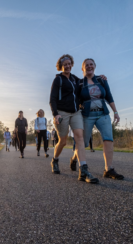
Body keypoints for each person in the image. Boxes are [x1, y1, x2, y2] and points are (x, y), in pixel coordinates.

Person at [49, 54, 98, 183]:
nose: (67, 66)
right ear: (61, 66)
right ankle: (55, 160)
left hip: (76, 112)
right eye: (65, 64)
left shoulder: (76, 79)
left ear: (72, 64)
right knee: (63, 141)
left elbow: (88, 80)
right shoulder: (58, 80)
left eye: (69, 63)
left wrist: (100, 78)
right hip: (62, 113)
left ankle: (83, 169)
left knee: (79, 138)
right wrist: (56, 114)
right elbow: (52, 99)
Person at [79, 58, 124, 180]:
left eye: (91, 64)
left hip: (102, 114)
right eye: (86, 65)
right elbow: (76, 100)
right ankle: (75, 159)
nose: (89, 66)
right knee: (83, 142)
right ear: (83, 68)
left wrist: (115, 112)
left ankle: (108, 169)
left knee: (108, 139)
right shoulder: (79, 83)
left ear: (94, 66)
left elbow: (109, 95)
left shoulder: (101, 80)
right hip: (87, 116)